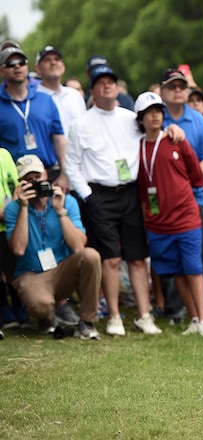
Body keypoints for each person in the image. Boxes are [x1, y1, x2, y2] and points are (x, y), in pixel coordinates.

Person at [65, 65, 167, 336]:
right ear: (93, 90)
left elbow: (155, 136)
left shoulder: (130, 118)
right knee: (110, 258)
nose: (107, 86)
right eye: (101, 83)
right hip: (100, 195)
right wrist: (88, 196)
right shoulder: (81, 124)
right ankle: (114, 316)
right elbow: (72, 165)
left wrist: (174, 132)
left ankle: (144, 315)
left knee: (136, 257)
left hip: (131, 193)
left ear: (117, 87)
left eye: (111, 81)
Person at [134, 92, 203, 339]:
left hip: (185, 218)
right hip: (158, 223)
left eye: (159, 110)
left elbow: (196, 174)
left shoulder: (176, 140)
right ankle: (193, 319)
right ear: (141, 118)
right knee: (176, 270)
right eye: (150, 112)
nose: (156, 115)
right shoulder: (136, 146)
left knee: (194, 268)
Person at [5, 154, 101, 340]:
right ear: (20, 183)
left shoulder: (66, 201)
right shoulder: (13, 209)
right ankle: (47, 318)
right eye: (28, 180)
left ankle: (88, 321)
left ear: (46, 175)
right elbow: (18, 249)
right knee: (40, 304)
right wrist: (23, 207)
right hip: (31, 273)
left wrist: (60, 212)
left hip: (62, 269)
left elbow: (79, 246)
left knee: (91, 256)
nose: (35, 183)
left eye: (38, 177)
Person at [159, 68, 203, 321]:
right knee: (171, 257)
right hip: (164, 200)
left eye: (181, 86)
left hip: (196, 196)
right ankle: (176, 310)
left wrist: (186, 181)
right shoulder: (154, 117)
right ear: (162, 91)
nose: (177, 90)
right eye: (172, 86)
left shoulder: (197, 119)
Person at [35, 45, 88, 326]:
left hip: (79, 169)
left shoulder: (75, 97)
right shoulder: (36, 96)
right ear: (38, 68)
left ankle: (86, 299)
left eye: (57, 59)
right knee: (53, 230)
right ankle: (60, 300)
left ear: (63, 67)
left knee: (78, 231)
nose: (53, 64)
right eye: (47, 60)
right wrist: (61, 172)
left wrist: (73, 171)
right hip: (52, 169)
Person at [0, 46, 69, 192]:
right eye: (10, 64)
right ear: (2, 70)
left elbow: (59, 139)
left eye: (21, 62)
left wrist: (64, 173)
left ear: (27, 66)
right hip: (15, 179)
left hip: (49, 174)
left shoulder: (46, 100)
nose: (17, 66)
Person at [0, 148, 30, 330]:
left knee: (12, 269)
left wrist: (13, 206)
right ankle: (4, 310)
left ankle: (20, 308)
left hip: (9, 223)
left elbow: (15, 184)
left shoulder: (4, 153)